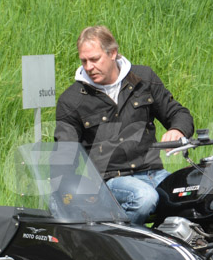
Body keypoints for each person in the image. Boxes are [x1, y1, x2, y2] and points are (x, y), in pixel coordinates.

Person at [54, 25, 194, 225]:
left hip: (155, 173)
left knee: (193, 194)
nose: (88, 67)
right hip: (109, 181)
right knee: (144, 197)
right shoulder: (72, 100)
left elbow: (178, 113)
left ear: (112, 53)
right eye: (84, 61)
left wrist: (177, 129)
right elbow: (65, 156)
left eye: (94, 59)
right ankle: (113, 240)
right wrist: (68, 197)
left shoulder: (143, 79)